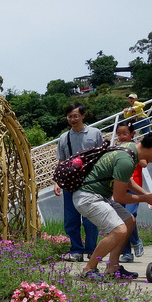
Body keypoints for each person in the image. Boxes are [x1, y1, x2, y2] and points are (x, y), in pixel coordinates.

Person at [75, 126, 152, 280]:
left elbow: (126, 181)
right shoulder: (126, 160)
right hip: (88, 197)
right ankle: (88, 269)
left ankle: (113, 267)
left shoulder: (129, 148)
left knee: (129, 221)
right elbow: (120, 197)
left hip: (98, 195)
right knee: (119, 229)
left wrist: (146, 193)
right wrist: (146, 198)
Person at [54, 103, 103, 262]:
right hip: (70, 183)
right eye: (69, 117)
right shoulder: (64, 137)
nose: (72, 119)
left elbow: (102, 157)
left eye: (75, 116)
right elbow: (61, 161)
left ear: (83, 115)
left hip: (90, 182)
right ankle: (76, 250)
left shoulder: (95, 133)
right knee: (71, 219)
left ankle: (92, 251)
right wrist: (57, 182)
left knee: (90, 218)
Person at [114, 122, 143, 261]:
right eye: (119, 134)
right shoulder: (116, 148)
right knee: (121, 220)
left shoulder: (138, 147)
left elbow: (144, 163)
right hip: (120, 187)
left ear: (132, 134)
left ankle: (136, 241)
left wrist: (134, 152)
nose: (122, 137)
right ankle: (126, 253)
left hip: (134, 188)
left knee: (130, 216)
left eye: (125, 133)